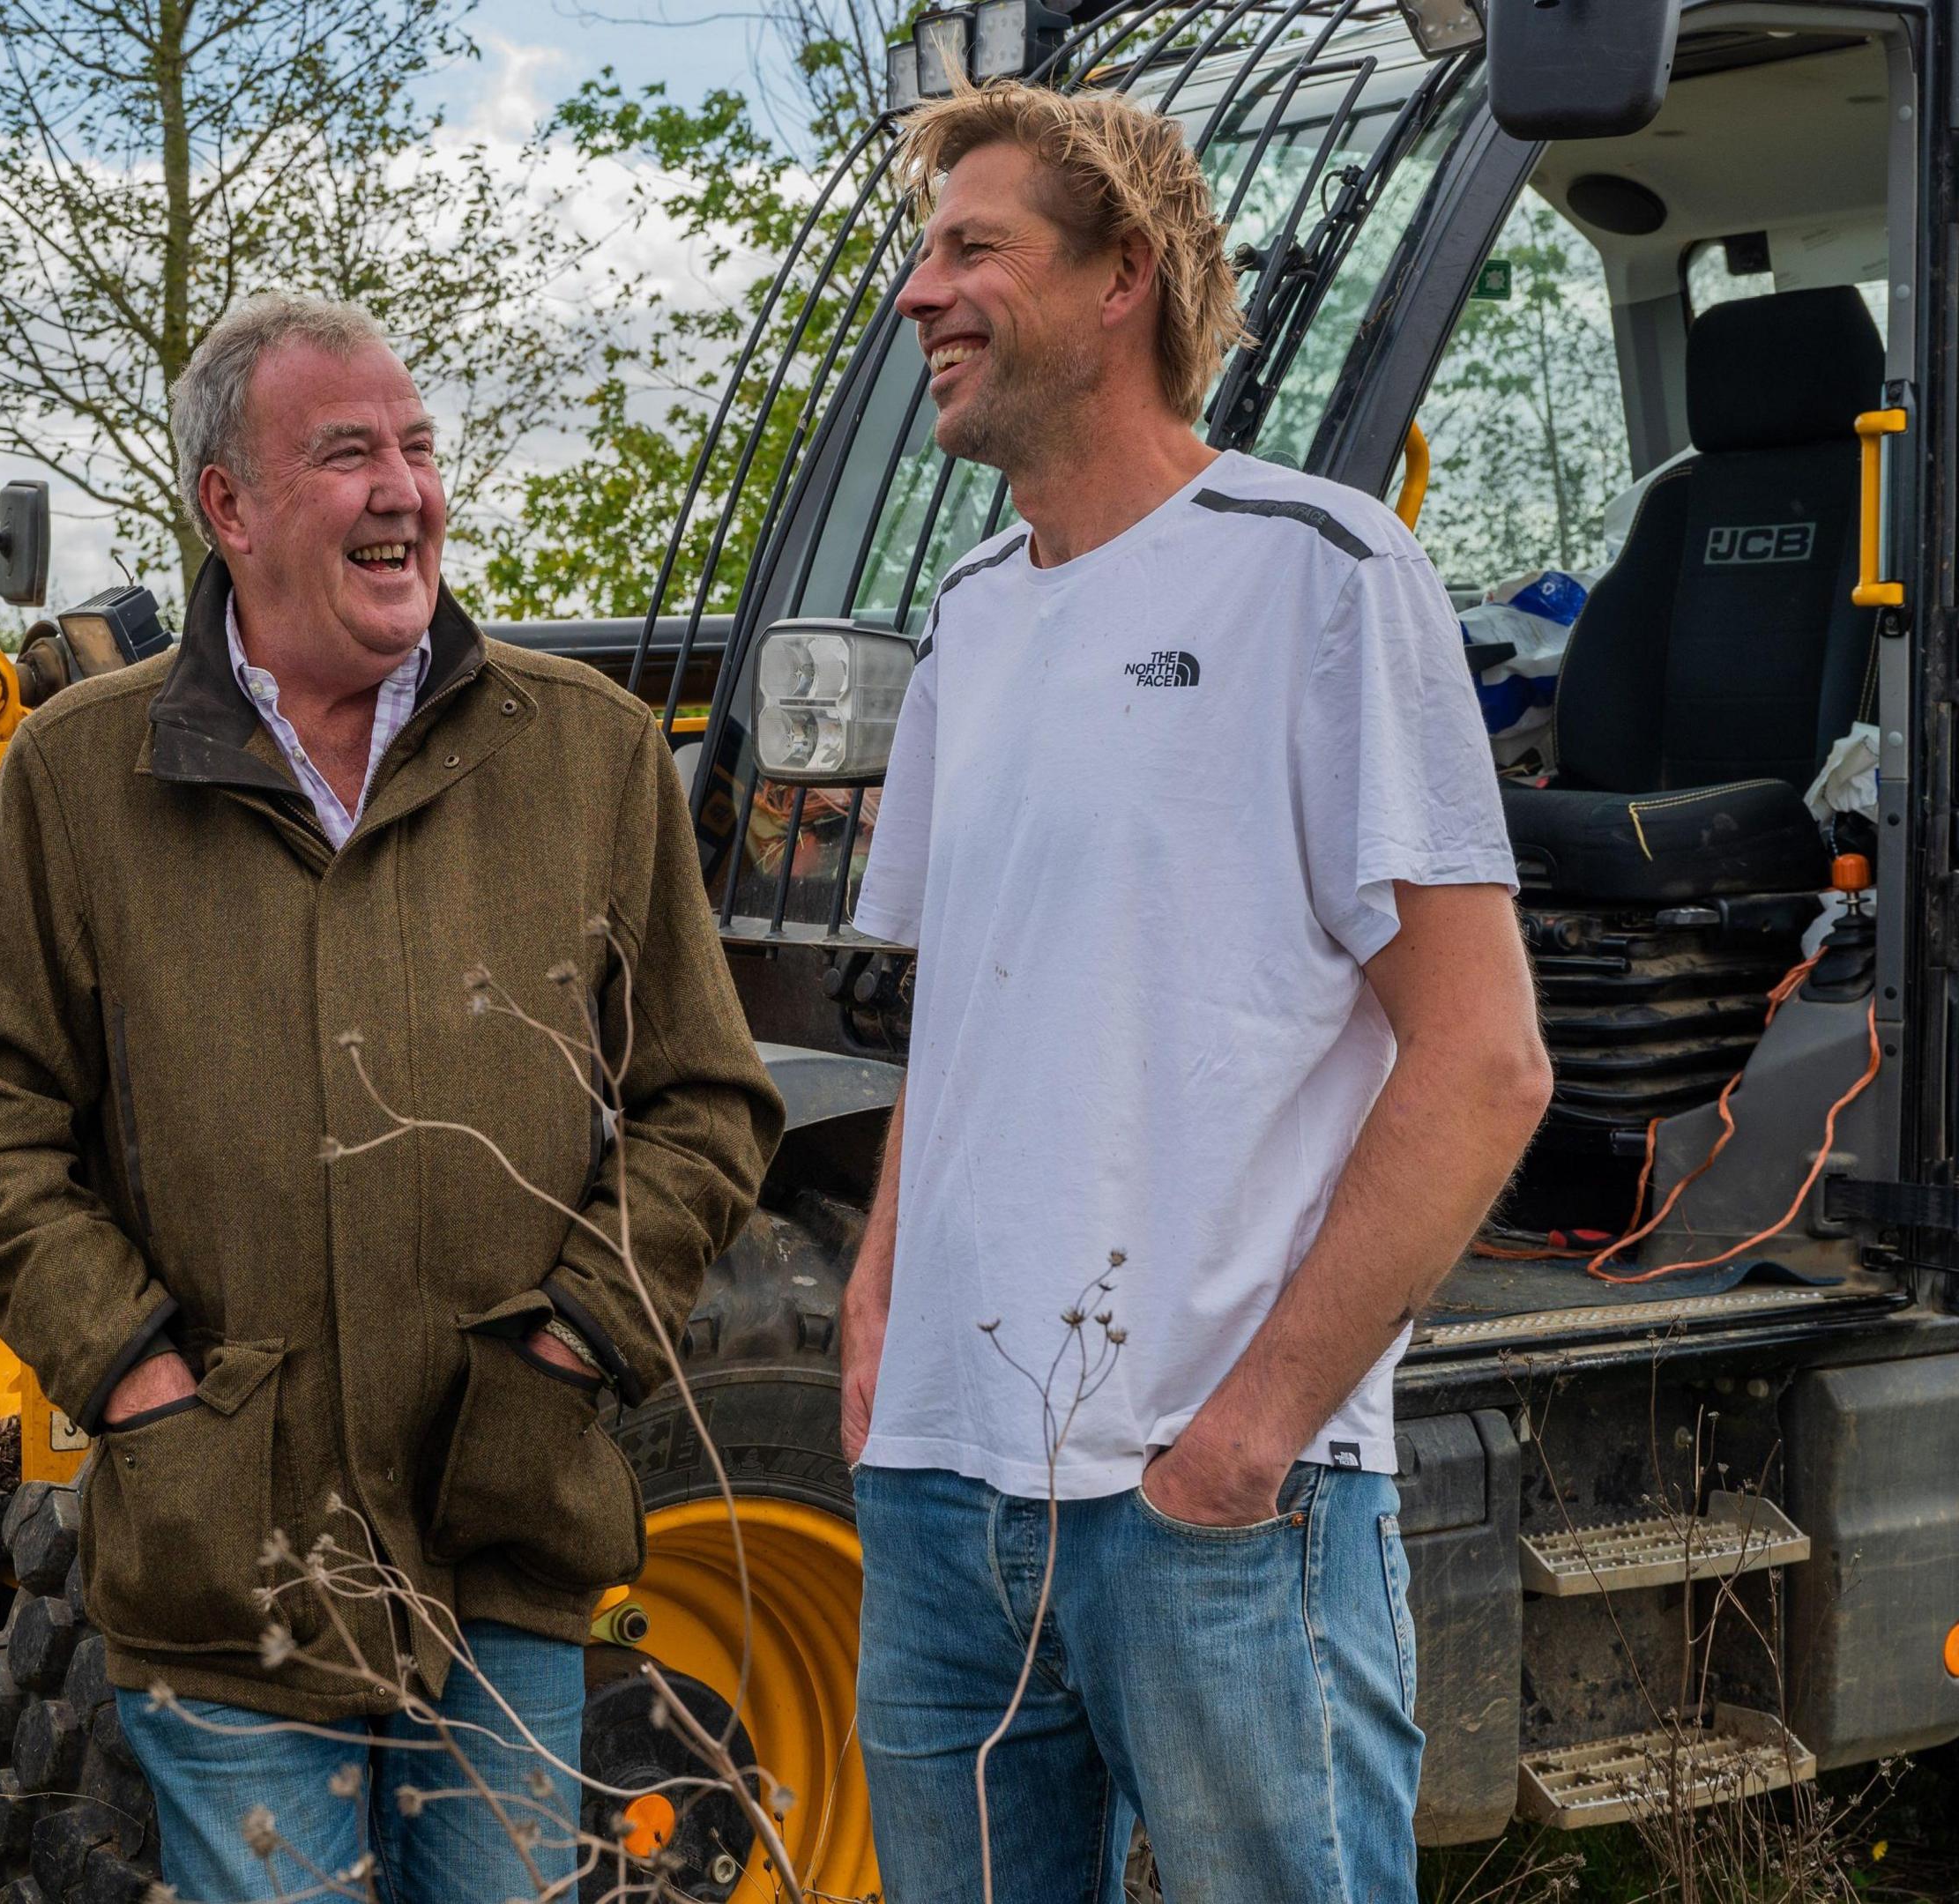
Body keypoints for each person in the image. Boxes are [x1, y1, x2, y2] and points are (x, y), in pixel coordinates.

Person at [0, 293, 781, 1904]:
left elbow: (705, 1103)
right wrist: (138, 1381)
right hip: (228, 1545)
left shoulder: (583, 755)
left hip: (504, 1526)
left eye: (419, 448)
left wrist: (574, 1343)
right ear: (226, 507)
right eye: (347, 454)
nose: (404, 490)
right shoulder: (83, 777)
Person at [837, 86, 1552, 1900]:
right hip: (938, 1499)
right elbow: (967, 1022)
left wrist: (1243, 1443)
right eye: (926, 251)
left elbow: (1482, 1062)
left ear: (1120, 283)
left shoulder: (1317, 575)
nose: (920, 293)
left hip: (1208, 1509)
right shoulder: (973, 615)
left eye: (971, 247)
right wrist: (875, 1317)